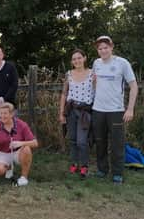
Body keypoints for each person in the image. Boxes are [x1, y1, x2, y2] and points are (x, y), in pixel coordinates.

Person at [91, 36, 138, 185]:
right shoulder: (96, 63)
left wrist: (130, 109)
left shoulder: (122, 63)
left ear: (111, 47)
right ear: (97, 51)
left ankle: (117, 173)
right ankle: (102, 170)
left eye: (105, 47)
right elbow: (94, 84)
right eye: (100, 48)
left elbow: (134, 86)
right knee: (100, 142)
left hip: (116, 111)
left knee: (117, 144)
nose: (103, 50)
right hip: (98, 110)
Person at [58, 49, 94, 179]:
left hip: (85, 112)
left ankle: (84, 166)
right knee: (72, 139)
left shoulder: (92, 74)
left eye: (79, 58)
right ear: (71, 62)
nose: (77, 61)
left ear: (84, 58)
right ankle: (74, 163)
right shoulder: (69, 74)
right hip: (71, 110)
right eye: (74, 59)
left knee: (82, 141)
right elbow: (64, 94)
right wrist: (61, 113)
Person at [0, 103, 38, 186]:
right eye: (1, 113)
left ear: (12, 114)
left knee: (27, 149)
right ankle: (8, 167)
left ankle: (24, 178)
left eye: (5, 113)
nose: (2, 116)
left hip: (18, 152)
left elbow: (35, 143)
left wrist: (20, 143)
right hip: (2, 153)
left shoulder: (22, 124)